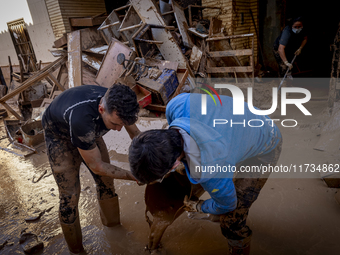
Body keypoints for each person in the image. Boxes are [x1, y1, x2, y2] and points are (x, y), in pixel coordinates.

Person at [129, 92, 282, 255]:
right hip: (241, 122)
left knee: (231, 220)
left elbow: (228, 203)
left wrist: (200, 206)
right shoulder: (177, 105)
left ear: (174, 164)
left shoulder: (210, 169)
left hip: (267, 141)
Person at [42, 84, 140, 253]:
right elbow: (98, 167)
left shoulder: (119, 103)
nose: (118, 130)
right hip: (60, 137)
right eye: (115, 124)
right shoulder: (82, 119)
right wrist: (133, 176)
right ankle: (77, 250)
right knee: (69, 198)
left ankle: (114, 227)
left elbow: (136, 136)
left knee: (107, 183)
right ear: (101, 109)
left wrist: (149, 161)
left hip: (90, 132)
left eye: (123, 124)